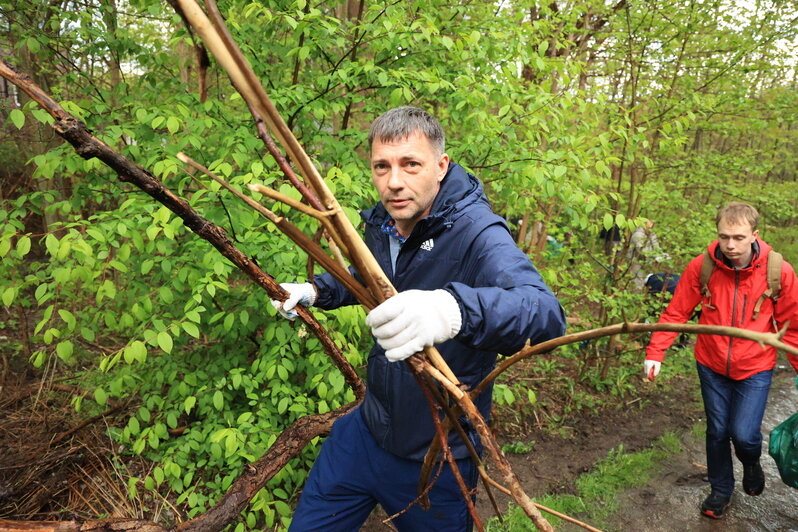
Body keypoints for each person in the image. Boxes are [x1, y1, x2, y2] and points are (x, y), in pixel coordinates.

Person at [271, 106, 566, 530]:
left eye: (411, 164)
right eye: (382, 166)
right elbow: (370, 277)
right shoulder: (384, 224)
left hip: (438, 455)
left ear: (441, 165)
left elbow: (544, 311)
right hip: (366, 432)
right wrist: (315, 290)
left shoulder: (477, 232)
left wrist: (452, 310)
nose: (394, 182)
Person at [643, 202, 798, 519]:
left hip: (755, 367)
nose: (730, 245)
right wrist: (655, 351)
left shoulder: (777, 271)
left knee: (743, 434)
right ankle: (721, 490)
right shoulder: (703, 267)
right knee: (716, 431)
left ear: (754, 235)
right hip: (711, 364)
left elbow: (792, 326)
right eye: (724, 236)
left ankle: (751, 462)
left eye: (739, 237)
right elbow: (676, 313)